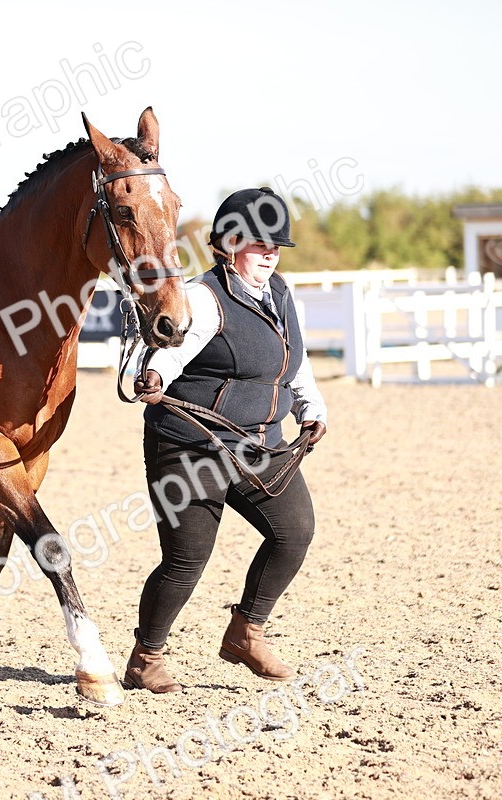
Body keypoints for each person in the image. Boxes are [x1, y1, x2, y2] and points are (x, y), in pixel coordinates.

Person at [124, 186, 328, 694]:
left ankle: (245, 631)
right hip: (190, 447)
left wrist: (310, 408)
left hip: (258, 444)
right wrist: (155, 375)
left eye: (276, 246)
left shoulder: (280, 293)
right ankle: (146, 657)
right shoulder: (203, 297)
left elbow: (294, 361)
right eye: (260, 245)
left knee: (294, 532)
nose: (270, 254)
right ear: (229, 244)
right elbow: (172, 349)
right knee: (187, 558)